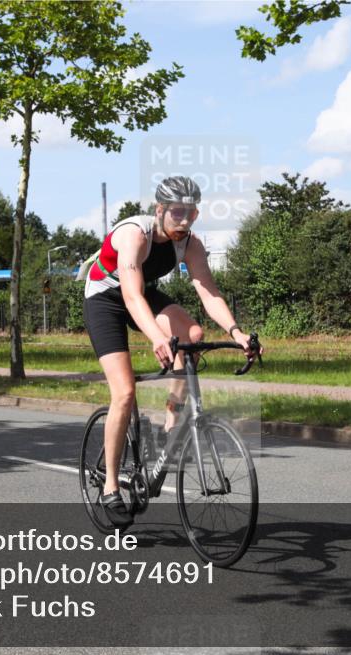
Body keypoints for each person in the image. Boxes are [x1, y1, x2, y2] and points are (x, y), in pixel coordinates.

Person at [82, 176, 262, 527]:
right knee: (124, 392)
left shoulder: (190, 244)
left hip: (140, 296)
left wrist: (237, 332)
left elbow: (208, 292)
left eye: (191, 213)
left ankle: (171, 417)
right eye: (177, 212)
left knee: (192, 333)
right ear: (160, 209)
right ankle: (110, 487)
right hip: (105, 298)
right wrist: (156, 337)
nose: (184, 220)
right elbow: (131, 296)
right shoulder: (135, 234)